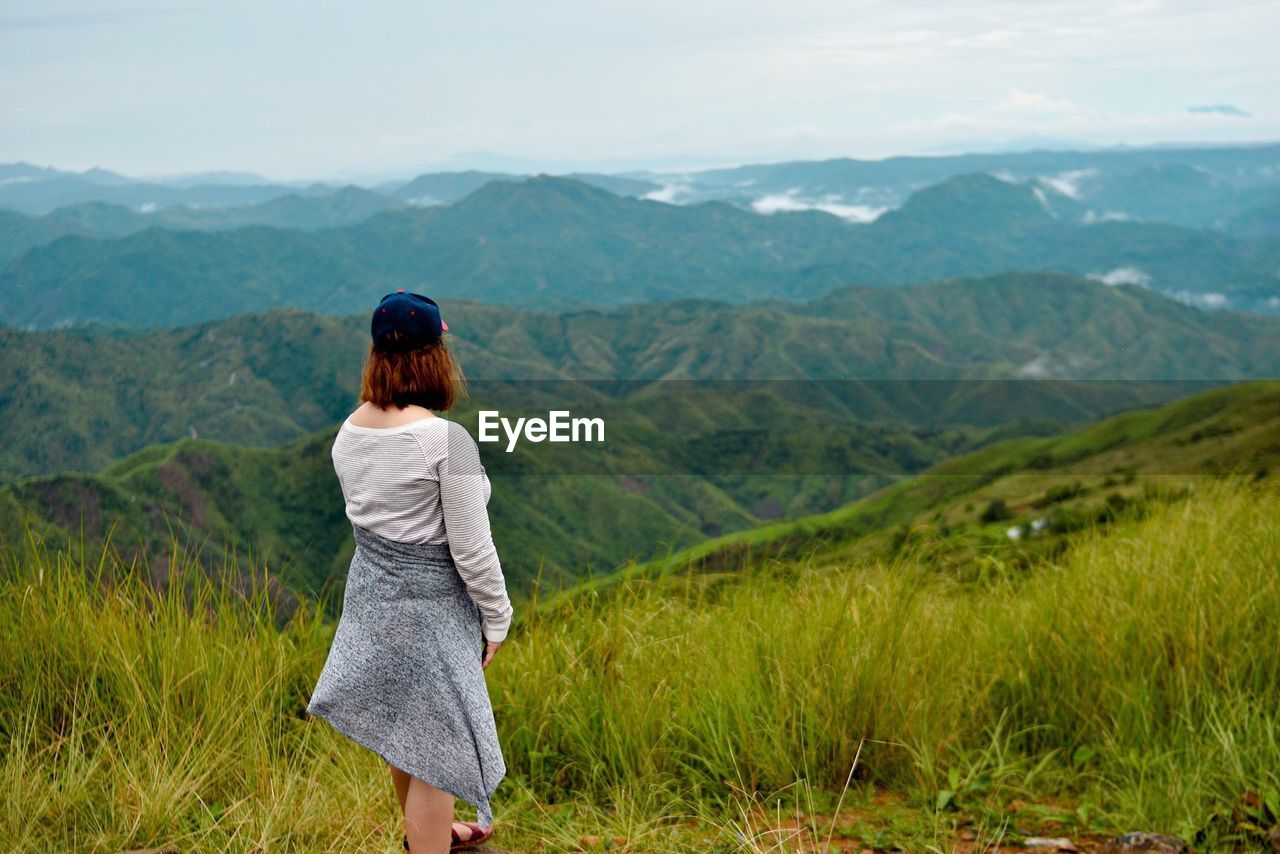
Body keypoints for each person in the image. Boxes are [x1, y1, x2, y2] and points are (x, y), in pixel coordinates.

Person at [307, 290, 513, 853]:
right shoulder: (447, 443)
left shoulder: (348, 433)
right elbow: (472, 549)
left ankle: (430, 834)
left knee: (406, 733)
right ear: (434, 356)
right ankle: (430, 845)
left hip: (372, 599)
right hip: (431, 609)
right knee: (439, 748)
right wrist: (497, 618)